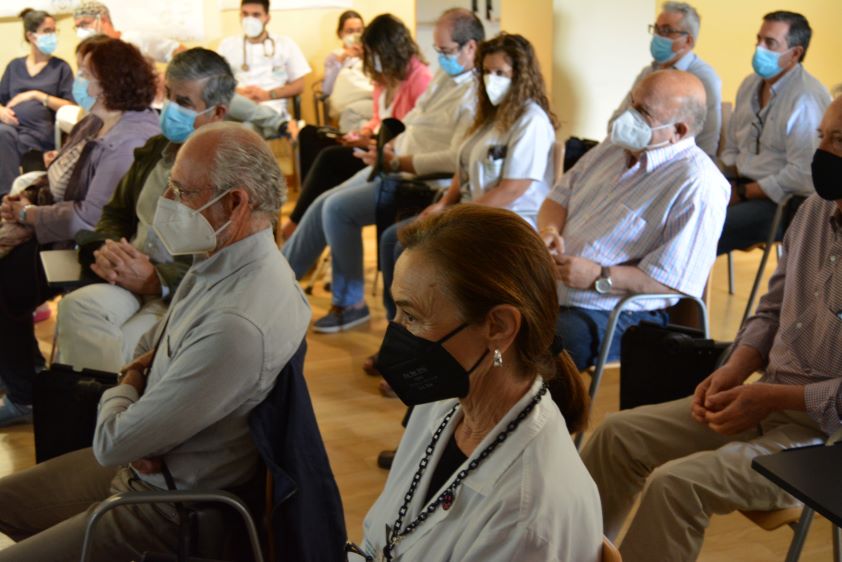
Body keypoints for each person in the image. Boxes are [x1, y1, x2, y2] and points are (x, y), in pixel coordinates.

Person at [0, 122, 310, 561]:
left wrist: (130, 384)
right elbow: (149, 342)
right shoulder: (222, 261)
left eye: (182, 192)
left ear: (236, 202)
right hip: (145, 469)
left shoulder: (237, 319)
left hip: (166, 511)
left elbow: (113, 440)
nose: (166, 203)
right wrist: (141, 415)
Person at [580, 95, 842, 562]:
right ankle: (573, 554)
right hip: (765, 398)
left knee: (676, 485)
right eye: (822, 138)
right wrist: (732, 372)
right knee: (615, 435)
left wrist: (772, 397)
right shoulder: (814, 213)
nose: (823, 153)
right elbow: (770, 312)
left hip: (823, 439)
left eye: (838, 140)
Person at [354, 205, 601, 561]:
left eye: (412, 316)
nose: (395, 333)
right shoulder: (443, 403)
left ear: (498, 327)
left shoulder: (526, 513)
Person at [282, 9, 484, 333]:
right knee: (323, 200)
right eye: (438, 50)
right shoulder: (448, 78)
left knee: (336, 207)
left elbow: (455, 158)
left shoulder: (475, 94)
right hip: (394, 164)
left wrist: (400, 160)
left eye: (445, 51)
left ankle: (349, 303)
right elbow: (414, 120)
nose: (439, 58)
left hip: (417, 178)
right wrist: (388, 147)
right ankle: (278, 280)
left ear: (471, 48)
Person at [0, 38, 160, 426]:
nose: (80, 84)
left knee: (4, 284)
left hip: (93, 250)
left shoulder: (128, 139)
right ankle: (28, 375)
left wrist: (29, 219)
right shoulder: (97, 120)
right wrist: (25, 205)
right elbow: (64, 182)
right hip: (59, 235)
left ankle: (25, 393)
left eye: (86, 75)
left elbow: (90, 219)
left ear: (108, 82)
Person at [53, 48, 235, 374]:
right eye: (168, 95)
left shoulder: (233, 175)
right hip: (128, 278)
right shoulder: (154, 150)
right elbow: (116, 212)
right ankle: (95, 412)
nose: (169, 109)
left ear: (217, 112)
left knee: (127, 346)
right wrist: (107, 249)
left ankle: (112, 415)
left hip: (182, 294)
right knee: (77, 308)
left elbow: (231, 269)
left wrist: (156, 280)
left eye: (184, 103)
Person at [537, 69, 728, 371]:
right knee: (482, 312)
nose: (628, 115)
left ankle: (543, 416)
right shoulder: (612, 147)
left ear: (678, 130)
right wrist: (549, 230)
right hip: (553, 288)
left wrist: (599, 276)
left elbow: (675, 282)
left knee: (533, 346)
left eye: (642, 112)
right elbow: (557, 198)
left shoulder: (698, 183)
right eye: (631, 102)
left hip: (619, 312)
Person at [377, 32, 558, 326]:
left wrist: (456, 214)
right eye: (486, 71)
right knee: (392, 239)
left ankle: (425, 330)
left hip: (507, 218)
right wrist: (444, 204)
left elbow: (513, 188)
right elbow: (464, 165)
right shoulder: (490, 116)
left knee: (412, 248)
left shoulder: (531, 121)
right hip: (470, 209)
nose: (492, 79)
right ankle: (398, 325)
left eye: (501, 72)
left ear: (521, 75)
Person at [283, 13, 432, 238]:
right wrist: (363, 132)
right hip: (377, 147)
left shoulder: (419, 79)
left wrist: (371, 140)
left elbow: (412, 132)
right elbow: (377, 118)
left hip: (392, 157)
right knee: (312, 138)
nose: (371, 59)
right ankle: (301, 225)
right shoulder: (382, 78)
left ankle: (296, 225)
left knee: (329, 164)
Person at [73, 0, 288, 139]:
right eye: (78, 26)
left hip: (166, 102)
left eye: (86, 23)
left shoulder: (135, 39)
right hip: (142, 113)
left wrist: (170, 78)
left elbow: (179, 52)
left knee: (212, 90)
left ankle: (278, 124)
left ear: (103, 20)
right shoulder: (91, 57)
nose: (82, 30)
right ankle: (278, 125)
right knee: (237, 123)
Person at [717, 10, 830, 255]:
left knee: (706, 225)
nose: (759, 48)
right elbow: (732, 148)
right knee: (681, 211)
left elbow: (803, 174)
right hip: (739, 187)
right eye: (758, 39)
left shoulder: (806, 98)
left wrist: (744, 193)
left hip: (780, 203)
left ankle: (674, 291)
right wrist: (726, 183)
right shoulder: (749, 84)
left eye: (770, 43)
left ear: (795, 53)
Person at [608, 2, 722, 158]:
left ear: (688, 41)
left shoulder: (703, 79)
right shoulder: (649, 72)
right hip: (633, 156)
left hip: (674, 163)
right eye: (656, 29)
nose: (657, 36)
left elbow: (707, 141)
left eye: (667, 31)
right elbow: (617, 121)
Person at [0, 9, 74, 195]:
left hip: (39, 131)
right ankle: (8, 197)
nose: (53, 36)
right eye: (47, 30)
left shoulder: (60, 68)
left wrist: (36, 95)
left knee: (20, 144)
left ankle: (13, 199)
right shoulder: (15, 66)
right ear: (31, 36)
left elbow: (71, 106)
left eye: (54, 31)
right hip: (10, 127)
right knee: (2, 134)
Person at [218, 0, 311, 124]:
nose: (249, 20)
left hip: (271, 105)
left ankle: (274, 122)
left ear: (267, 18)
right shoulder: (227, 44)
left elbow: (299, 85)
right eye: (245, 14)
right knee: (230, 105)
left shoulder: (285, 43)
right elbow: (215, 81)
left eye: (256, 15)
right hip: (237, 106)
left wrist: (267, 95)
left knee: (247, 129)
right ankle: (280, 125)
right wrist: (237, 92)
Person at [321, 10, 373, 132]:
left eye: (359, 30)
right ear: (340, 33)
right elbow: (327, 90)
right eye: (350, 31)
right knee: (356, 120)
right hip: (345, 104)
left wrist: (365, 58)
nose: (355, 35)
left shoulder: (372, 55)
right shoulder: (333, 57)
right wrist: (341, 60)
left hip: (369, 100)